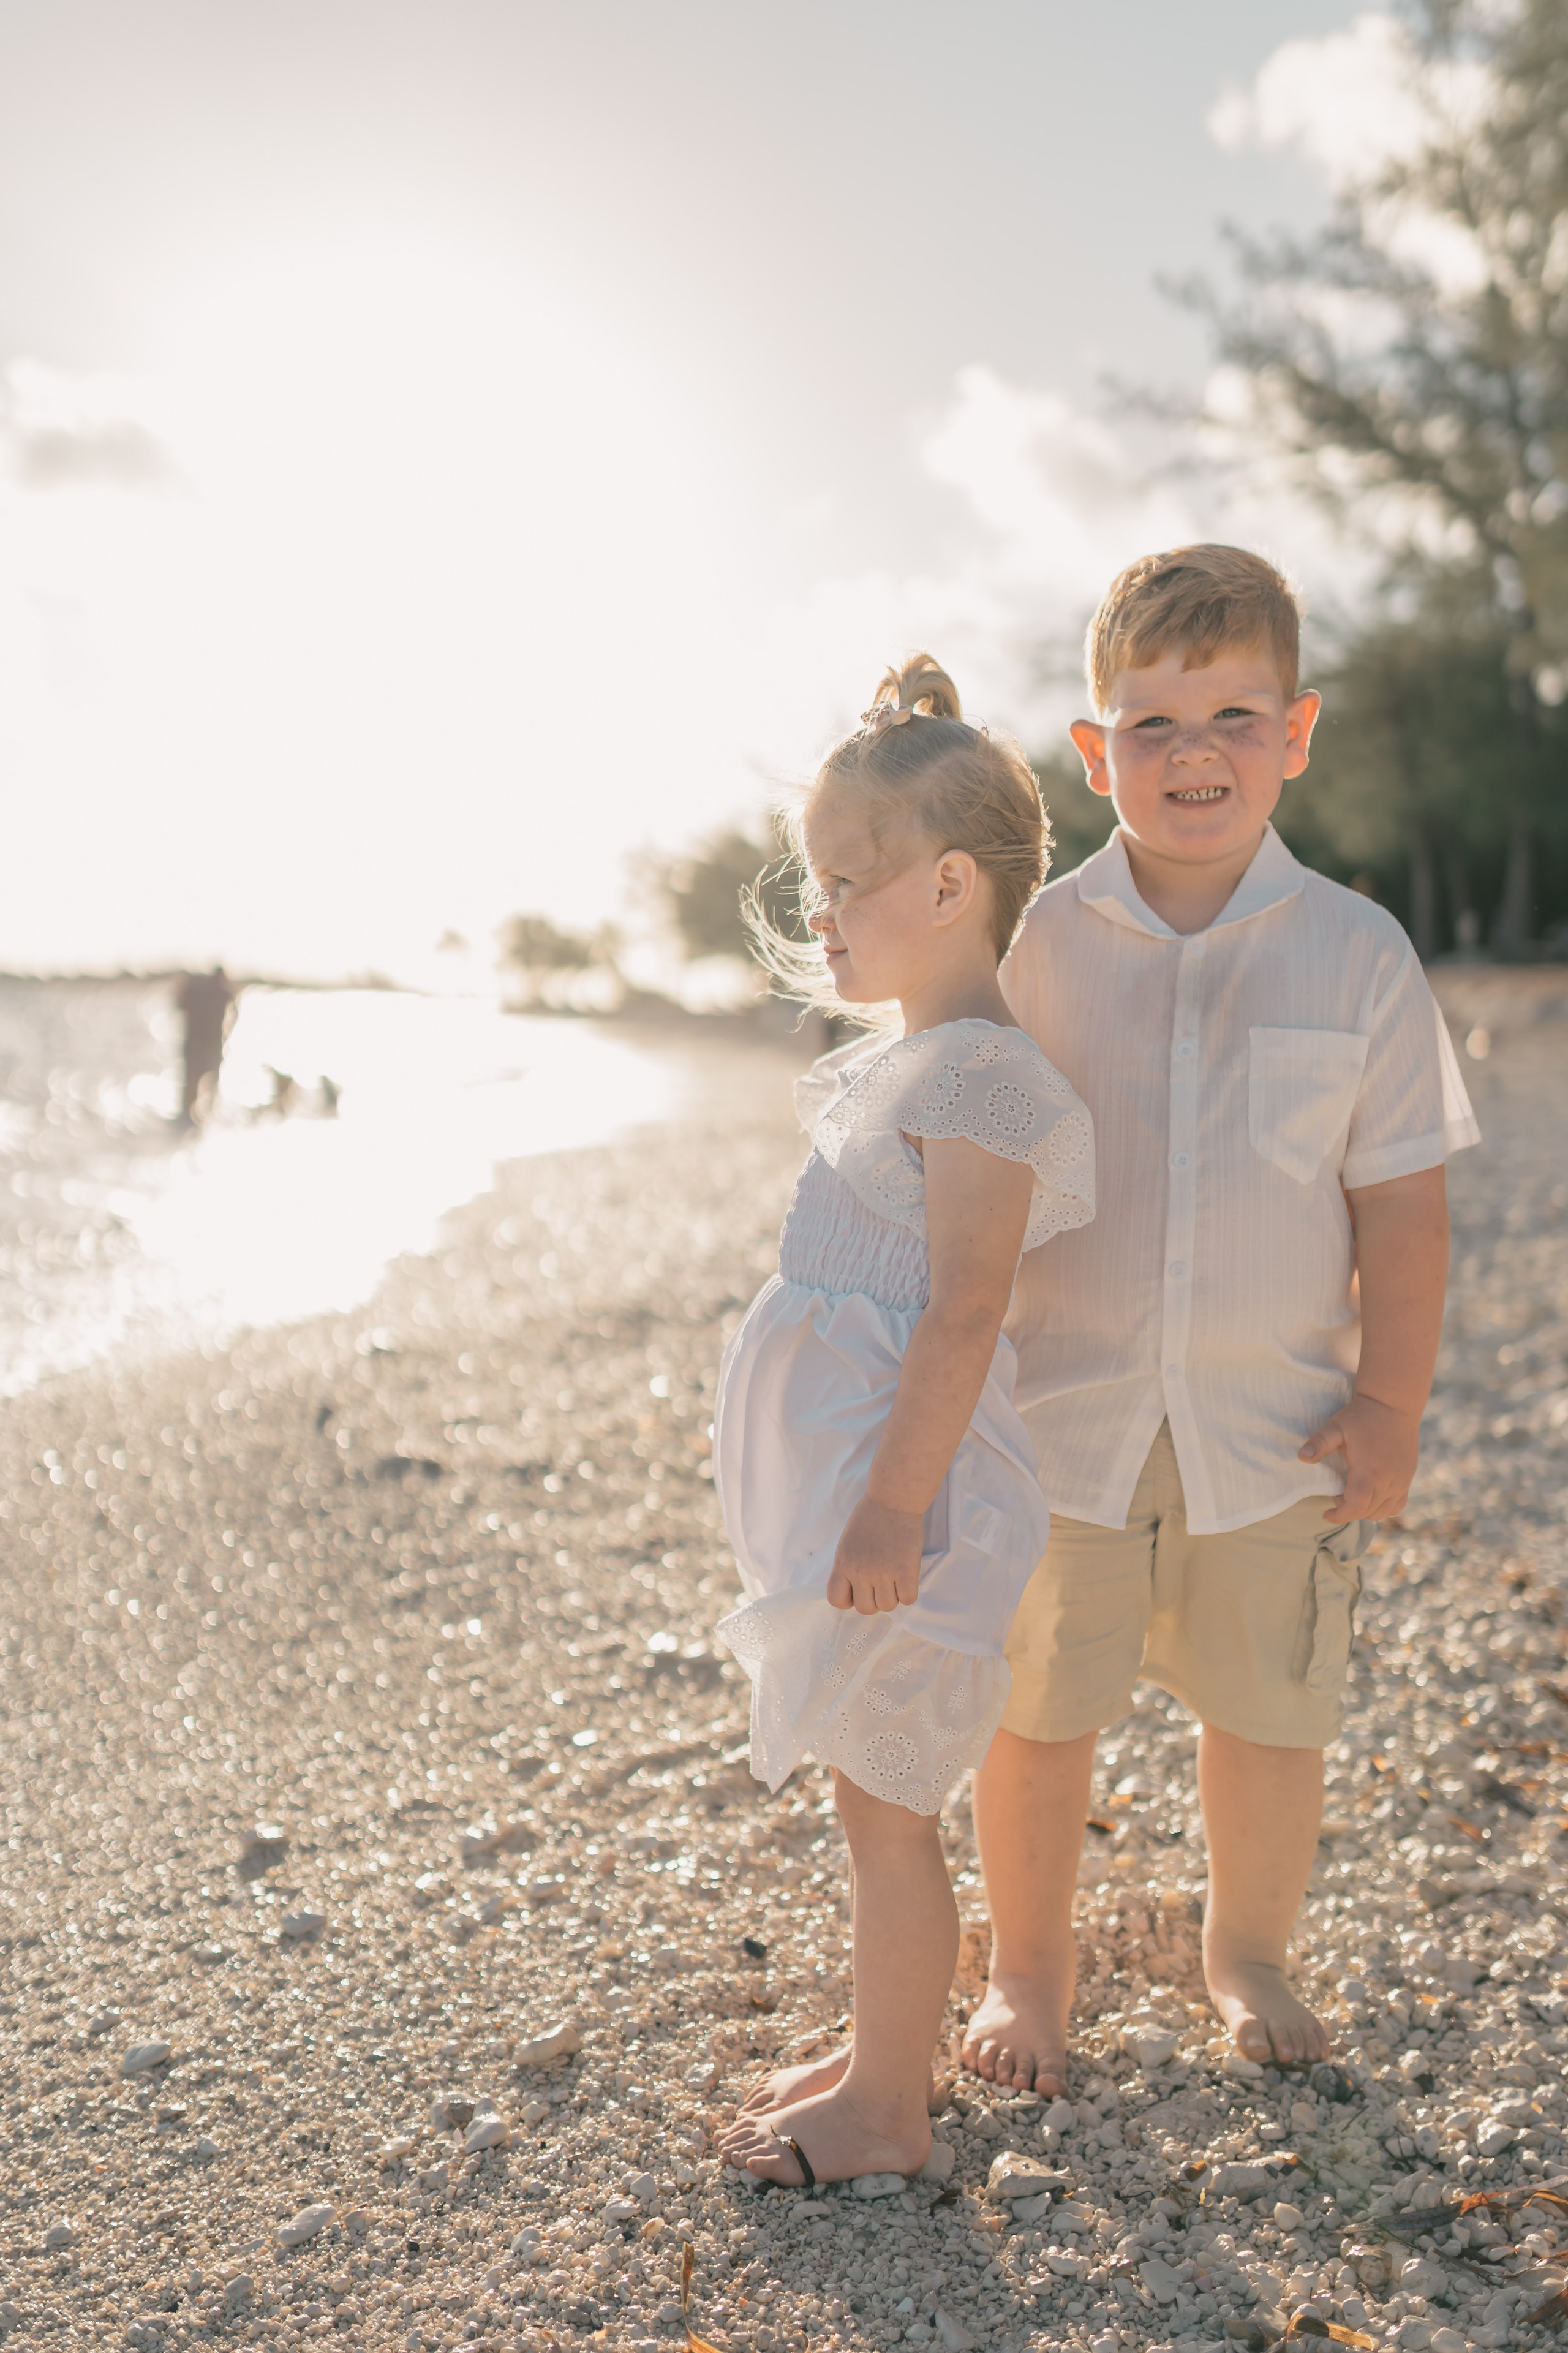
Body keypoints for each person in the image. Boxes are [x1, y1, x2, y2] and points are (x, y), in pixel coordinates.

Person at [954, 543, 1480, 2091]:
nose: (1195, 754)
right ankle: (1028, 1970)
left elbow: (1400, 1205)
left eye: (1232, 716)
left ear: (1296, 731)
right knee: (1038, 1709)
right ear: (1093, 748)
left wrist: (1386, 1407)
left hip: (1278, 1423)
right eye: (1154, 723)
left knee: (1269, 1712)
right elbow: (968, 1170)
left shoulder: (1355, 954)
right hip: (1063, 1415)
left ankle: (1245, 1949)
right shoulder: (1033, 943)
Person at [712, 655, 1095, 2188]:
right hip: (868, 1475)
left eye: (846, 880)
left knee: (886, 1800)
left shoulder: (984, 1081)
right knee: (866, 1788)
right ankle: (884, 2045)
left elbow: (961, 1310)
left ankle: (886, 2112)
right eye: (815, 879)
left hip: (913, 1490)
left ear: (947, 884)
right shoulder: (918, 1062)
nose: (822, 910)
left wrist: (887, 1504)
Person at [175, 965, 238, 1127]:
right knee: (201, 1082)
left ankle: (197, 1117)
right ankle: (201, 1117)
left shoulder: (201, 992)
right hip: (205, 1044)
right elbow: (236, 1011)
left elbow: (179, 1005)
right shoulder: (220, 993)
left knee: (198, 1082)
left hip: (203, 1045)